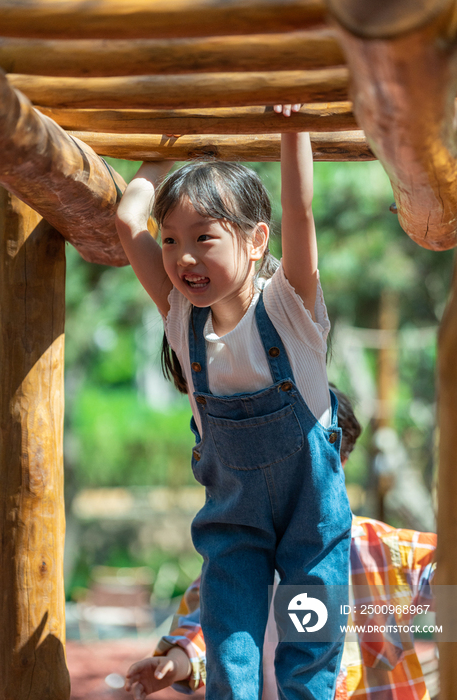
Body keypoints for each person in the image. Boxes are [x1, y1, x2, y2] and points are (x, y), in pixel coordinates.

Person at [116, 106, 352, 700]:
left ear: (255, 242)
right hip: (233, 522)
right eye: (171, 241)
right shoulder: (179, 316)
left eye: (204, 238)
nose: (182, 257)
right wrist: (163, 152)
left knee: (310, 649)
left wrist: (292, 128)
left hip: (311, 522)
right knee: (230, 650)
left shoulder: (289, 308)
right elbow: (127, 218)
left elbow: (299, 211)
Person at [124, 388, 437, 700]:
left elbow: (438, 568)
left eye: (296, 464)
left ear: (337, 461)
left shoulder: (380, 548)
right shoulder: (238, 552)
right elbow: (209, 630)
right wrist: (174, 663)